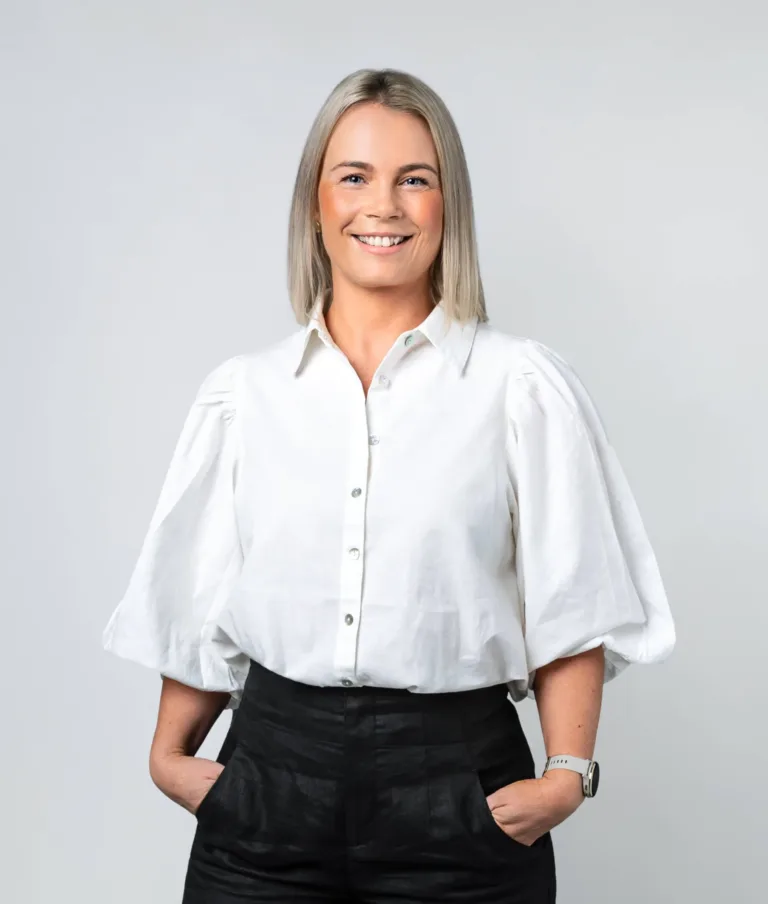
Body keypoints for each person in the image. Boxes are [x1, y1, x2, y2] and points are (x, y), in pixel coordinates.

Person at [102, 67, 676, 903]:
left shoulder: (520, 387)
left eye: (416, 179)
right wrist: (170, 760)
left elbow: (573, 597)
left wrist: (566, 774)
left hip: (457, 790)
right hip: (269, 782)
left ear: (450, 206)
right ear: (316, 205)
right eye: (355, 177)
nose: (386, 205)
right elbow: (201, 597)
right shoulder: (245, 395)